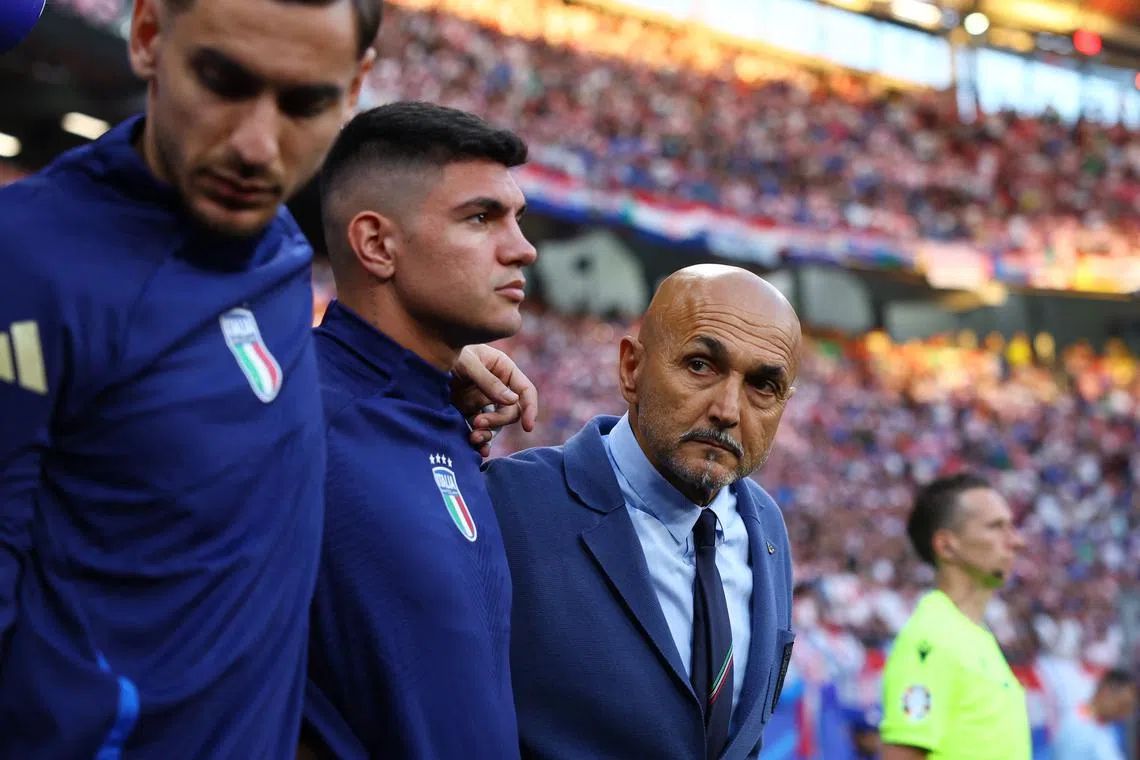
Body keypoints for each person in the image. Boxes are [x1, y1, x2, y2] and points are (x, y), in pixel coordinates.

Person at [0, 1, 534, 757]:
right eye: (223, 80)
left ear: (354, 89)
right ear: (149, 35)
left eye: (304, 102)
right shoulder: (25, 264)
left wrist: (434, 377)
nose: (256, 146)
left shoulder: (276, 251)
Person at [483, 264, 801, 760]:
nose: (728, 409)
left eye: (763, 385)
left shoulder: (766, 529)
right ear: (632, 368)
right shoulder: (511, 504)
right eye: (700, 365)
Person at [299, 101, 537, 760]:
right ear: (376, 244)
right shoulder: (293, 424)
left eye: (517, 218)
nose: (523, 247)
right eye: (482, 217)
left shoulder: (447, 417)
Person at [878, 473, 1030, 760]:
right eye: (997, 527)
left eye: (1012, 526)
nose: (1016, 541)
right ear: (947, 545)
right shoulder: (930, 637)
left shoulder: (976, 635)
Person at [1052, 668, 1136, 760]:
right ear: (1106, 692)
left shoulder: (1104, 725)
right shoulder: (1077, 725)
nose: (1126, 714)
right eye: (1123, 706)